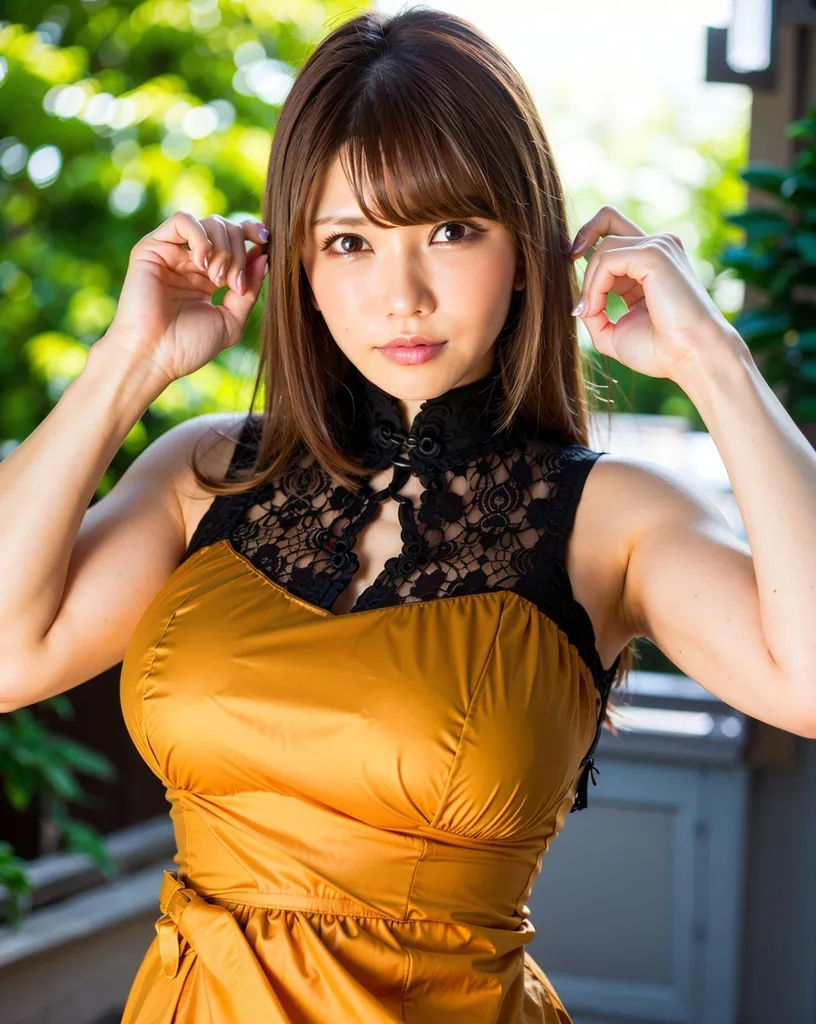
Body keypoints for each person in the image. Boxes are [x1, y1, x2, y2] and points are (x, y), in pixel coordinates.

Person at [2, 5, 816, 1023]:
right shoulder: (206, 470)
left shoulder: (612, 517)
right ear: (295, 257)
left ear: (529, 239)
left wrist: (716, 362)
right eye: (349, 240)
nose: (403, 295)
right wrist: (126, 364)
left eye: (449, 229)